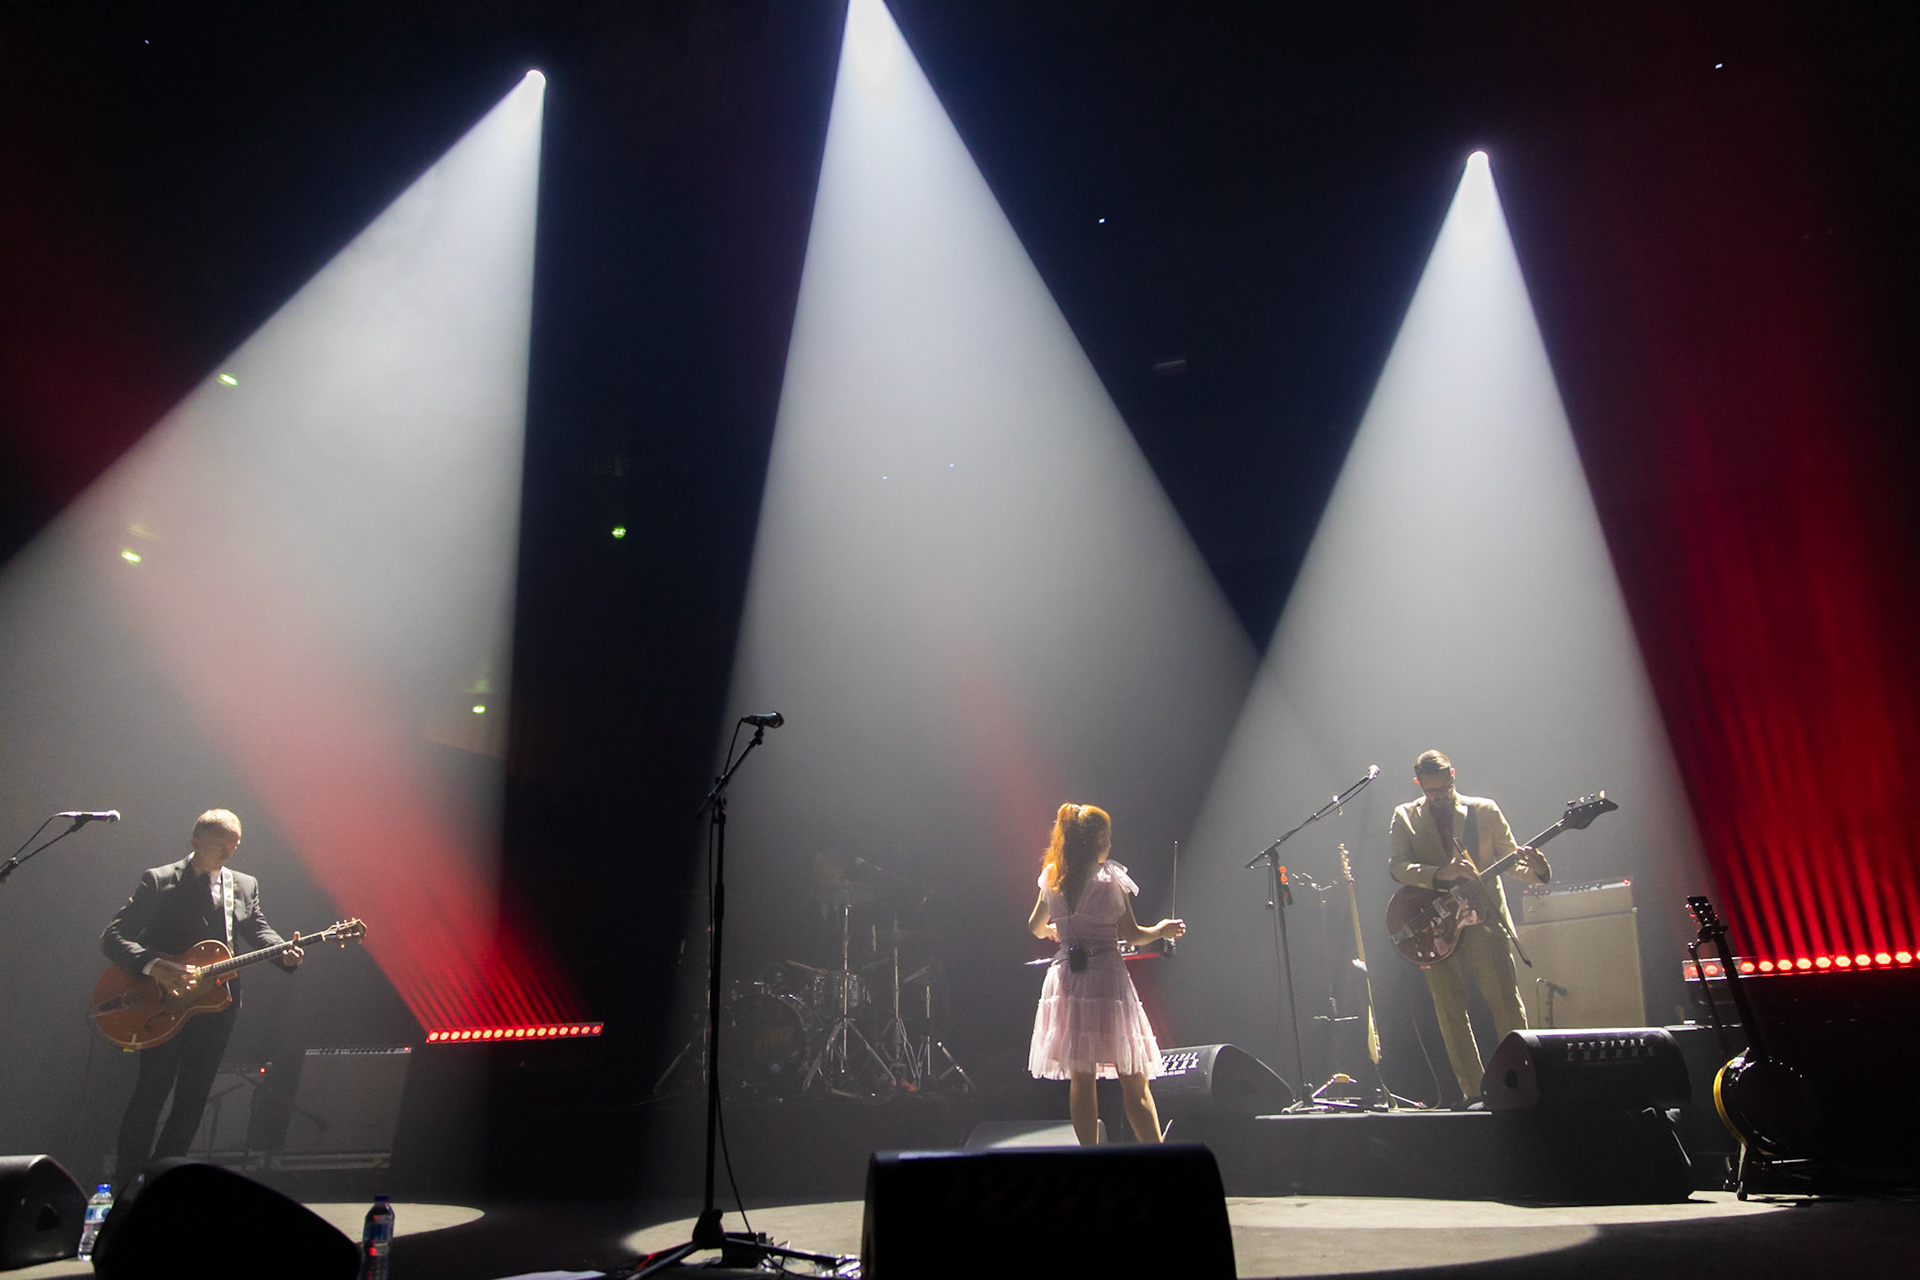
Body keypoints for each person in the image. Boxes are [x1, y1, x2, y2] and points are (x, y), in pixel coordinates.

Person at [100, 809, 302, 1187]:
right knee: (152, 1090)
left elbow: (257, 928)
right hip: (162, 1002)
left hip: (216, 1005)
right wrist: (154, 965)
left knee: (193, 1097)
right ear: (196, 842)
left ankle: (162, 1181)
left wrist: (283, 952)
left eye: (234, 846)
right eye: (219, 846)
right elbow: (113, 936)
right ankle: (126, 1183)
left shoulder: (243, 884)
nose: (228, 853)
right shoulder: (159, 880)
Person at [1388, 750, 1549, 1104]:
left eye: (1443, 788)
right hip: (1437, 925)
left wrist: (1537, 869)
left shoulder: (1484, 811)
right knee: (1449, 1011)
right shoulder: (1405, 816)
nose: (1438, 796)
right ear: (1418, 783)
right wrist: (1440, 874)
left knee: (1506, 1003)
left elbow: (1512, 862)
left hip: (1485, 922)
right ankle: (1474, 1094)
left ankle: (1523, 1086)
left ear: (1453, 776)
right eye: (1430, 791)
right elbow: (1398, 866)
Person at [1027, 802, 1185, 1145]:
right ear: (1098, 838)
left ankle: (1091, 1156)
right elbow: (1132, 934)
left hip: (1068, 978)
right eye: (1108, 837)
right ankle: (1157, 1156)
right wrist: (1161, 930)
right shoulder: (1110, 878)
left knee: (1081, 1077)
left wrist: (1054, 929)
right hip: (1104, 977)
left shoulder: (1053, 875)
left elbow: (1035, 926)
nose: (1110, 843)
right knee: (1133, 1077)